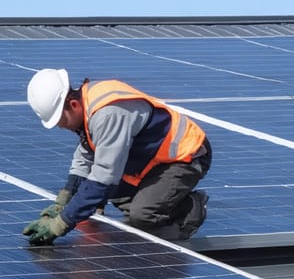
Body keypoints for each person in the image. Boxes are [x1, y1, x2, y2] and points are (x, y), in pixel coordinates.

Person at [22, 68, 211, 245]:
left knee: (142, 215)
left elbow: (103, 177)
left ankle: (190, 210)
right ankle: (158, 199)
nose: (61, 127)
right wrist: (63, 201)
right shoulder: (88, 102)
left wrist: (61, 224)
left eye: (61, 120)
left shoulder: (108, 115)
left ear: (73, 104)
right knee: (107, 194)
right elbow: (85, 157)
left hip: (186, 155)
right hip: (153, 160)